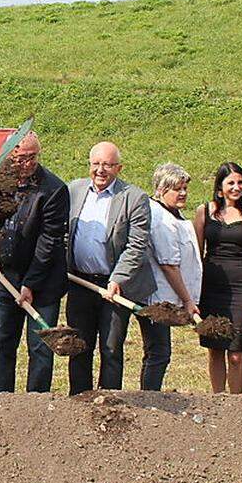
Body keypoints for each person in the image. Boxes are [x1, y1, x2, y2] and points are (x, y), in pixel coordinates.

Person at [0, 132, 68, 393]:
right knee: (4, 342)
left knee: (40, 346)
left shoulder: (53, 190)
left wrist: (31, 284)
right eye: (19, 159)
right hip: (7, 273)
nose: (26, 164)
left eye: (31, 158)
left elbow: (49, 241)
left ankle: (36, 404)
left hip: (43, 279)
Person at [65, 142, 155, 395]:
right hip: (80, 282)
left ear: (119, 167)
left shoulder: (133, 198)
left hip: (114, 287)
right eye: (96, 164)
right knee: (79, 345)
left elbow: (137, 246)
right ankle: (79, 398)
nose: (100, 170)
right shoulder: (74, 190)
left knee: (111, 347)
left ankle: (109, 400)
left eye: (107, 165)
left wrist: (117, 280)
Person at [194, 162, 242, 394]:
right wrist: (193, 295)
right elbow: (196, 254)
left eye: (240, 183)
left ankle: (236, 405)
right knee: (215, 348)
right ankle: (217, 400)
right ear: (220, 187)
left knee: (236, 353)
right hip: (212, 286)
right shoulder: (204, 211)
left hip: (241, 287)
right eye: (231, 183)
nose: (236, 187)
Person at [143, 163, 202, 391]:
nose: (184, 193)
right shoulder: (160, 219)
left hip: (168, 296)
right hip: (160, 297)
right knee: (158, 353)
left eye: (185, 188)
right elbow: (169, 265)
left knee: (158, 353)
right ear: (160, 189)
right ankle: (150, 398)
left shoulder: (171, 214)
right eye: (177, 189)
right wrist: (187, 300)